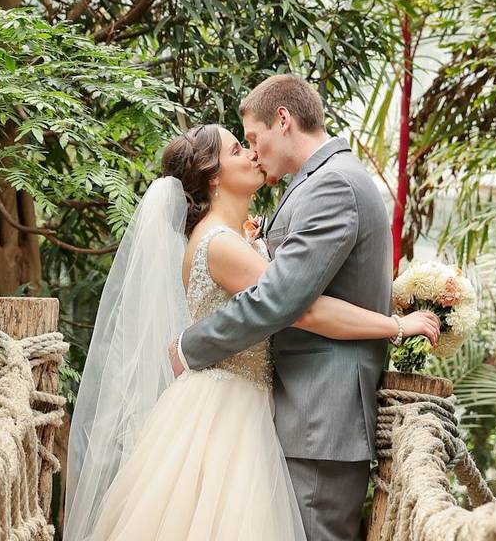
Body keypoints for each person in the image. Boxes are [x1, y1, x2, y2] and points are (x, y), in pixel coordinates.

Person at [64, 118, 438, 539]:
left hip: (235, 400)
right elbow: (304, 310)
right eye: (237, 149)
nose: (252, 153)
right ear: (214, 177)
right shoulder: (221, 245)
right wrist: (394, 324)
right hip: (230, 412)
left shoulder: (229, 240)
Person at [170, 74, 404, 540]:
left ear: (283, 120)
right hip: (300, 412)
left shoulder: (331, 185)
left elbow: (283, 298)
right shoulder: (318, 182)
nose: (254, 153)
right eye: (242, 147)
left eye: (253, 140)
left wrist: (190, 345)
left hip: (320, 414)